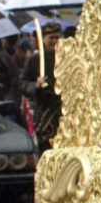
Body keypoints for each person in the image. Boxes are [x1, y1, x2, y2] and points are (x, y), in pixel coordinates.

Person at [20, 22, 63, 151]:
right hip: (44, 108)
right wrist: (36, 85)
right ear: (44, 39)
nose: (55, 41)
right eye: (51, 38)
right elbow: (23, 83)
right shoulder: (35, 59)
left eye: (57, 37)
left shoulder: (66, 57)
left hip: (62, 108)